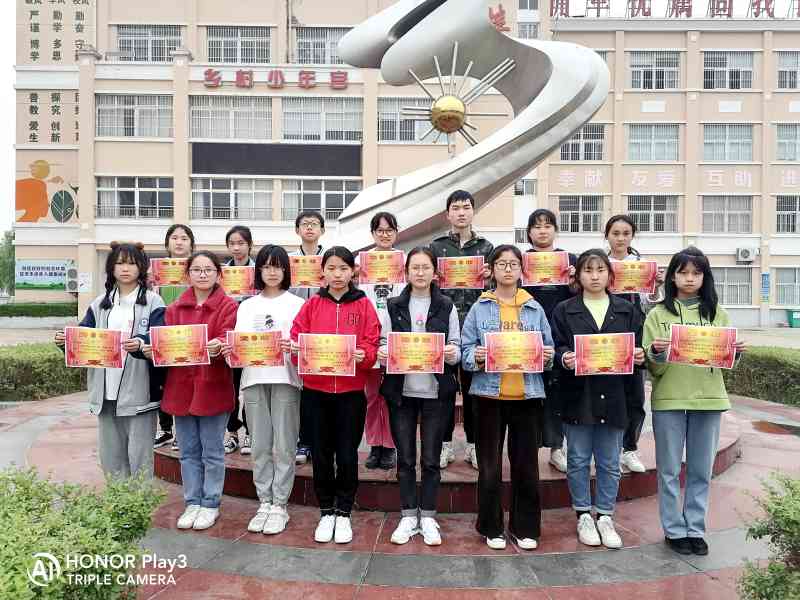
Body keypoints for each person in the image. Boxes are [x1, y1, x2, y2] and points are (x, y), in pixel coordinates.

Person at [643, 247, 747, 557]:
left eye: (696, 273)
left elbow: (725, 363)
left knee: (701, 470)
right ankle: (674, 530)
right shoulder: (657, 315)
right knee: (669, 470)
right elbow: (653, 368)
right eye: (683, 272)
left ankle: (695, 529)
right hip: (670, 400)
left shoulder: (717, 314)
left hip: (709, 400)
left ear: (705, 277)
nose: (689, 279)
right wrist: (657, 352)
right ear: (672, 277)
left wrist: (734, 353)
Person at [461, 245, 554, 551]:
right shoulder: (480, 307)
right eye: (502, 264)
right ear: (492, 270)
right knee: (489, 466)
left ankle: (524, 527)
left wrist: (547, 355)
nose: (508, 269)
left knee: (526, 465)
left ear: (521, 270)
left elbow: (549, 351)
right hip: (488, 396)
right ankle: (491, 527)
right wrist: (475, 356)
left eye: (513, 264)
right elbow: (464, 351)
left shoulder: (534, 308)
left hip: (527, 396)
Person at [551, 249, 646, 550]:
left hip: (616, 394)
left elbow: (638, 346)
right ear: (578, 275)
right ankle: (583, 514)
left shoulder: (626, 310)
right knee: (578, 459)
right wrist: (564, 357)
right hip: (578, 394)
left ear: (610, 274)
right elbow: (555, 345)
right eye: (588, 270)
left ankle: (605, 515)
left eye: (600, 270)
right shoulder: (565, 309)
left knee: (609, 461)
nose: (594, 276)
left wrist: (640, 355)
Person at [289, 247, 380, 545]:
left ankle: (344, 511)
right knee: (321, 453)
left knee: (348, 453)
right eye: (332, 268)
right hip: (316, 393)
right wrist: (297, 351)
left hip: (351, 394)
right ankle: (326, 510)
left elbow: (372, 343)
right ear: (323, 272)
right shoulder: (312, 305)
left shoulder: (364, 305)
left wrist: (364, 354)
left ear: (353, 271)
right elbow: (296, 340)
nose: (338, 274)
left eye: (343, 268)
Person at [144, 251, 238, 531]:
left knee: (212, 451)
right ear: (188, 274)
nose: (203, 274)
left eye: (208, 269)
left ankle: (211, 503)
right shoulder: (174, 309)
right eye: (197, 269)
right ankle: (192, 501)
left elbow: (230, 337)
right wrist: (155, 349)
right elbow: (166, 343)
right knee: (187, 451)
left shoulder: (229, 306)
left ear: (218, 274)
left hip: (213, 386)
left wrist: (221, 344)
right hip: (181, 387)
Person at [55, 242, 165, 478]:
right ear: (111, 268)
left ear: (141, 267)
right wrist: (66, 341)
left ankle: (140, 502)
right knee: (111, 459)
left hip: (140, 394)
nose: (125, 268)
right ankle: (117, 500)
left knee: (140, 459)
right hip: (106, 394)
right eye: (120, 263)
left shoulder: (154, 302)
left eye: (131, 263)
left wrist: (142, 343)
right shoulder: (99, 304)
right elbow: (84, 339)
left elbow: (160, 340)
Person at [377, 247, 461, 546]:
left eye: (426, 267)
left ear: (434, 272)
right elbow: (383, 342)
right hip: (401, 392)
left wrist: (451, 352)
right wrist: (383, 352)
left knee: (430, 460)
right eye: (415, 267)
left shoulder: (446, 305)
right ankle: (408, 514)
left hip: (436, 392)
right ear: (407, 272)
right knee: (405, 459)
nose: (421, 272)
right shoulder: (393, 305)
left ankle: (427, 515)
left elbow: (456, 347)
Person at [223, 245, 305, 536]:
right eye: (267, 266)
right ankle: (264, 501)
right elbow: (238, 344)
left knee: (284, 445)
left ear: (286, 270)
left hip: (286, 379)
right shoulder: (247, 306)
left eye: (277, 266)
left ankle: (280, 504)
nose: (272, 272)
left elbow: (304, 345)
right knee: (259, 445)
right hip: (254, 379)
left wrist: (295, 347)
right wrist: (231, 349)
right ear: (258, 271)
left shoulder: (298, 304)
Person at [430, 189, 494, 470]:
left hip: (476, 327)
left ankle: (473, 445)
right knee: (443, 389)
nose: (461, 212)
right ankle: (443, 444)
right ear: (448, 214)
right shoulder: (436, 247)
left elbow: (496, 288)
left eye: (466, 207)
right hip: (444, 325)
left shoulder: (487, 248)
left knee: (473, 390)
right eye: (455, 208)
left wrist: (490, 279)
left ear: (473, 211)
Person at [604, 215, 665, 474]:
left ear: (632, 236)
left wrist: (655, 286)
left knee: (634, 395)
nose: (620, 238)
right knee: (606, 394)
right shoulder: (599, 264)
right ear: (607, 235)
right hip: (604, 334)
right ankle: (608, 450)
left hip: (634, 332)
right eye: (615, 233)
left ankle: (629, 449)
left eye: (626, 233)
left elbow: (649, 304)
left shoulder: (641, 266)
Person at [521, 209, 578, 474]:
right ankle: (528, 451)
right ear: (529, 232)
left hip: (560, 334)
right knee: (529, 395)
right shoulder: (521, 261)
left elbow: (579, 295)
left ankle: (557, 448)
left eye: (548, 225)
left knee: (558, 393)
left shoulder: (570, 260)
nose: (542, 230)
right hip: (527, 335)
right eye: (537, 226)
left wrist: (575, 280)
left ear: (555, 230)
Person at [357, 212, 405, 471]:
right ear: (372, 233)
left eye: (389, 230)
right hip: (369, 337)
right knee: (372, 395)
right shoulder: (360, 262)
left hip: (397, 336)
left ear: (396, 232)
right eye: (380, 230)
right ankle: (375, 444)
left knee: (393, 395)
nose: (384, 234)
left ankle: (391, 446)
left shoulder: (404, 260)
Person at [153, 224, 196, 452]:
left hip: (190, 333)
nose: (179, 242)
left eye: (184, 238)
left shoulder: (196, 268)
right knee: (164, 382)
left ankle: (182, 431)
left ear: (191, 244)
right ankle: (166, 428)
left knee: (186, 382)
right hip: (165, 331)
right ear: (167, 243)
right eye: (175, 238)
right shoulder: (157, 270)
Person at [289, 210, 327, 466]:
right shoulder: (290, 261)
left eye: (314, 224)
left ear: (322, 230)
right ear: (297, 230)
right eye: (305, 224)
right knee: (300, 390)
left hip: (325, 329)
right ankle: (303, 440)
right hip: (297, 328)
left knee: (319, 389)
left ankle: (319, 441)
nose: (310, 228)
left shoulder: (330, 258)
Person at [222, 225, 256, 456]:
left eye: (241, 243)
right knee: (232, 386)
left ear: (250, 245)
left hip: (253, 338)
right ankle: (232, 433)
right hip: (230, 336)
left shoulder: (258, 271)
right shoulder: (222, 273)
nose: (237, 248)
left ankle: (251, 433)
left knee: (251, 386)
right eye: (232, 243)